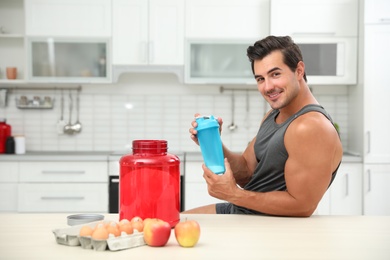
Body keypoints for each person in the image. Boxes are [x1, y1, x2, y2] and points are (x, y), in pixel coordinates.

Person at [185, 35, 343, 217]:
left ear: (299, 71)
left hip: (267, 226)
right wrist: (212, 142)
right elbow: (247, 174)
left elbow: (302, 206)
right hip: (241, 211)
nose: (267, 87)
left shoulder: (311, 127)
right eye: (260, 79)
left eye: (275, 74)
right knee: (172, 222)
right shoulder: (274, 114)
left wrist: (234, 195)